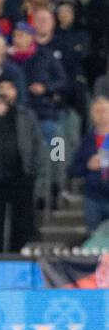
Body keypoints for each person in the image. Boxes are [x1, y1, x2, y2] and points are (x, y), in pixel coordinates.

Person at [0, 76, 44, 251]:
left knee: (21, 223)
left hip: (21, 175)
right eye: (1, 87)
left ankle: (17, 255)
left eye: (9, 88)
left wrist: (34, 170)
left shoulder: (26, 114)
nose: (4, 91)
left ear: (16, 92)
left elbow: (37, 143)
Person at [73, 96, 109, 231]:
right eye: (97, 111)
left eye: (104, 111)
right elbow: (74, 169)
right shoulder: (86, 141)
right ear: (92, 114)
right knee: (94, 240)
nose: (101, 115)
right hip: (93, 198)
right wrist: (88, 165)